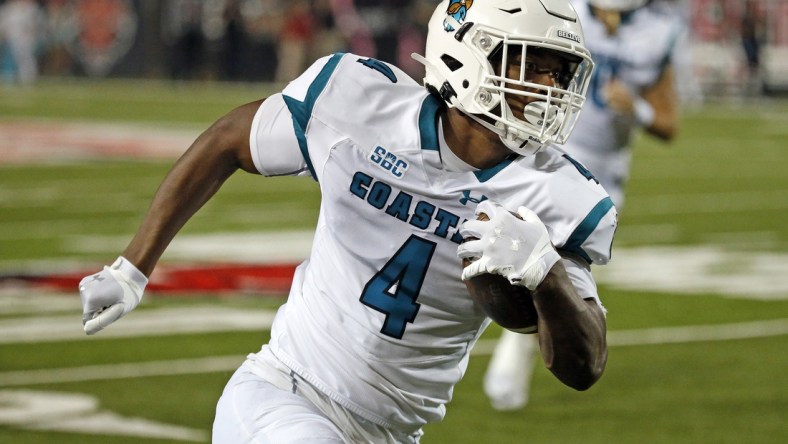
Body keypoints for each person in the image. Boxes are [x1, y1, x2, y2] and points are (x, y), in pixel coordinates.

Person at [78, 0, 616, 442]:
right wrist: (132, 268)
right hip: (285, 395)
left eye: (560, 71)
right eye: (534, 63)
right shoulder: (359, 105)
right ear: (469, 58)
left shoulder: (555, 193)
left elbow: (584, 365)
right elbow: (229, 141)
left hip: (394, 433)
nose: (552, 86)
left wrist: (545, 272)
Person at [483, 0, 683, 412]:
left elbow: (668, 124)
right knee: (516, 252)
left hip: (604, 175)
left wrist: (637, 108)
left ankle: (532, 346)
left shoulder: (658, 31)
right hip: (550, 150)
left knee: (562, 268)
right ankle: (511, 352)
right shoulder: (563, 11)